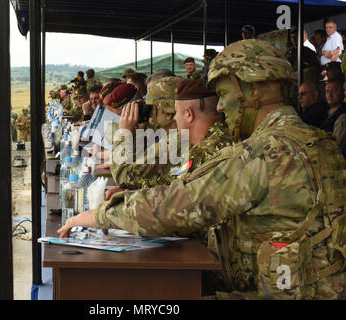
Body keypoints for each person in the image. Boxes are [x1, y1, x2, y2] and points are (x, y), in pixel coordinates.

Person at [58, 39, 346, 300]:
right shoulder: (321, 142)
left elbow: (175, 205)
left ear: (255, 90)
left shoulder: (265, 152)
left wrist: (96, 215)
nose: (220, 107)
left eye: (224, 93)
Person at [322, 79, 346, 147]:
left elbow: (336, 145)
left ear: (343, 93)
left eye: (335, 90)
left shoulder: (343, 116)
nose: (330, 95)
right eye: (327, 91)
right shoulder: (327, 112)